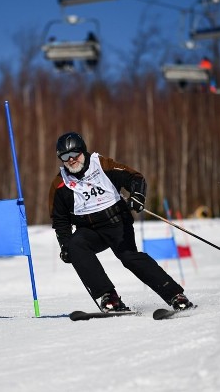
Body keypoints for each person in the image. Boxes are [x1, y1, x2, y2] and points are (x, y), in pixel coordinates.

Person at [48, 132, 194, 312]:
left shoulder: (101, 165)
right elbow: (60, 220)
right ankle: (109, 297)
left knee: (128, 257)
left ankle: (175, 296)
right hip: (89, 230)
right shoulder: (60, 184)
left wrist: (138, 195)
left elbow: (134, 178)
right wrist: (64, 245)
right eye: (64, 156)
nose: (70, 160)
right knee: (75, 245)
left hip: (116, 222)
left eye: (74, 154)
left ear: (83, 152)